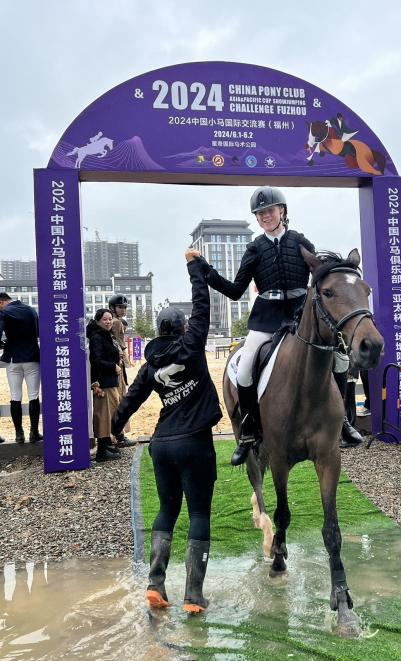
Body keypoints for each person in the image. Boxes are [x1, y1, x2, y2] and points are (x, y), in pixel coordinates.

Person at [203, 186, 363, 465]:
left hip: (302, 315)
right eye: (260, 213)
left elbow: (321, 273)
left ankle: (345, 422)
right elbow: (234, 289)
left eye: (269, 210)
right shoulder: (254, 249)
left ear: (282, 211)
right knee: (244, 368)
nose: (265, 216)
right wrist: (207, 272)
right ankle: (250, 431)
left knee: (339, 357)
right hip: (267, 316)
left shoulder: (300, 241)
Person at [112, 250, 221, 614]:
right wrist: (194, 268)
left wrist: (114, 429)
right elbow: (202, 306)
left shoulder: (148, 366)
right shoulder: (192, 345)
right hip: (195, 443)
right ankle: (193, 595)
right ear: (183, 328)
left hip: (162, 444)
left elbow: (129, 401)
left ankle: (156, 584)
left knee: (167, 510)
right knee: (200, 514)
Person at [0, 292, 42, 443]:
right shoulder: (31, 310)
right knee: (33, 395)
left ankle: (19, 434)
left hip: (13, 359)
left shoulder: (3, 312)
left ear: (1, 302)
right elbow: (38, 332)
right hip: (32, 357)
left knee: (15, 395)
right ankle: (34, 432)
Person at [87, 308, 122, 463]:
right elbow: (96, 360)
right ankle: (101, 450)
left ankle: (106, 445)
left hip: (110, 381)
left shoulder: (106, 335)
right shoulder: (96, 337)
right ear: (98, 321)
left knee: (110, 415)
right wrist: (113, 366)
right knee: (103, 416)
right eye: (105, 319)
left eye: (110, 319)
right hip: (103, 383)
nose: (108, 322)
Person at [108, 294, 136, 448]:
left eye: (125, 307)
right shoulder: (117, 322)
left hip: (109, 367)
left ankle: (114, 435)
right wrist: (126, 361)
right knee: (119, 399)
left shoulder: (110, 321)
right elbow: (120, 346)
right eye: (120, 307)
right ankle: (120, 435)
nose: (123, 309)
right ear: (113, 308)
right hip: (116, 365)